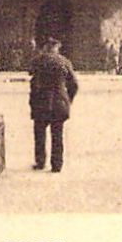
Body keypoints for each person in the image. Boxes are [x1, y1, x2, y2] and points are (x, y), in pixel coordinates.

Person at [28, 37, 78, 173]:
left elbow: (31, 77)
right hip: (59, 104)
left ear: (45, 48)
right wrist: (68, 99)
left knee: (39, 134)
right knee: (57, 135)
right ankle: (57, 165)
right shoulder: (64, 62)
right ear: (57, 48)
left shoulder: (38, 61)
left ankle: (40, 162)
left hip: (41, 102)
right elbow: (74, 85)